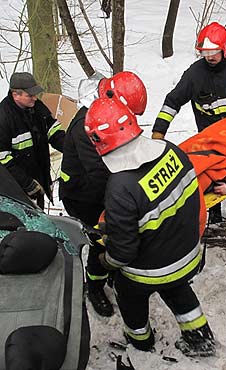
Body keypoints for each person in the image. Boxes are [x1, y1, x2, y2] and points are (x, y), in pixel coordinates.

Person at [85, 96, 216, 357]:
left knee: (130, 296)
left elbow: (123, 253)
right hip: (187, 254)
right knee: (179, 290)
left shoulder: (121, 187)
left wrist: (106, 259)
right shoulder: (170, 150)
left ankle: (141, 341)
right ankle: (200, 338)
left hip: (150, 270)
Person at [59, 71, 148, 317]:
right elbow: (100, 172)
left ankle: (113, 270)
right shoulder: (86, 126)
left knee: (116, 233)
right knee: (101, 241)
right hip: (83, 196)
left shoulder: (106, 113)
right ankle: (95, 286)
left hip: (103, 188)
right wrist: (126, 196)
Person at [152, 21, 226, 223]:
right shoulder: (194, 75)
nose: (209, 57)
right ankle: (215, 214)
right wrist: (159, 132)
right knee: (213, 174)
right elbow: (172, 102)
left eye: (214, 52)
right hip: (210, 138)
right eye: (204, 53)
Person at [0, 72, 65, 209]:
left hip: (39, 178)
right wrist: (27, 183)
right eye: (30, 95)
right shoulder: (4, 118)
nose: (35, 98)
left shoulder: (37, 107)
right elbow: (3, 159)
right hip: (16, 188)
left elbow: (53, 132)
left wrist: (71, 148)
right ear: (15, 95)